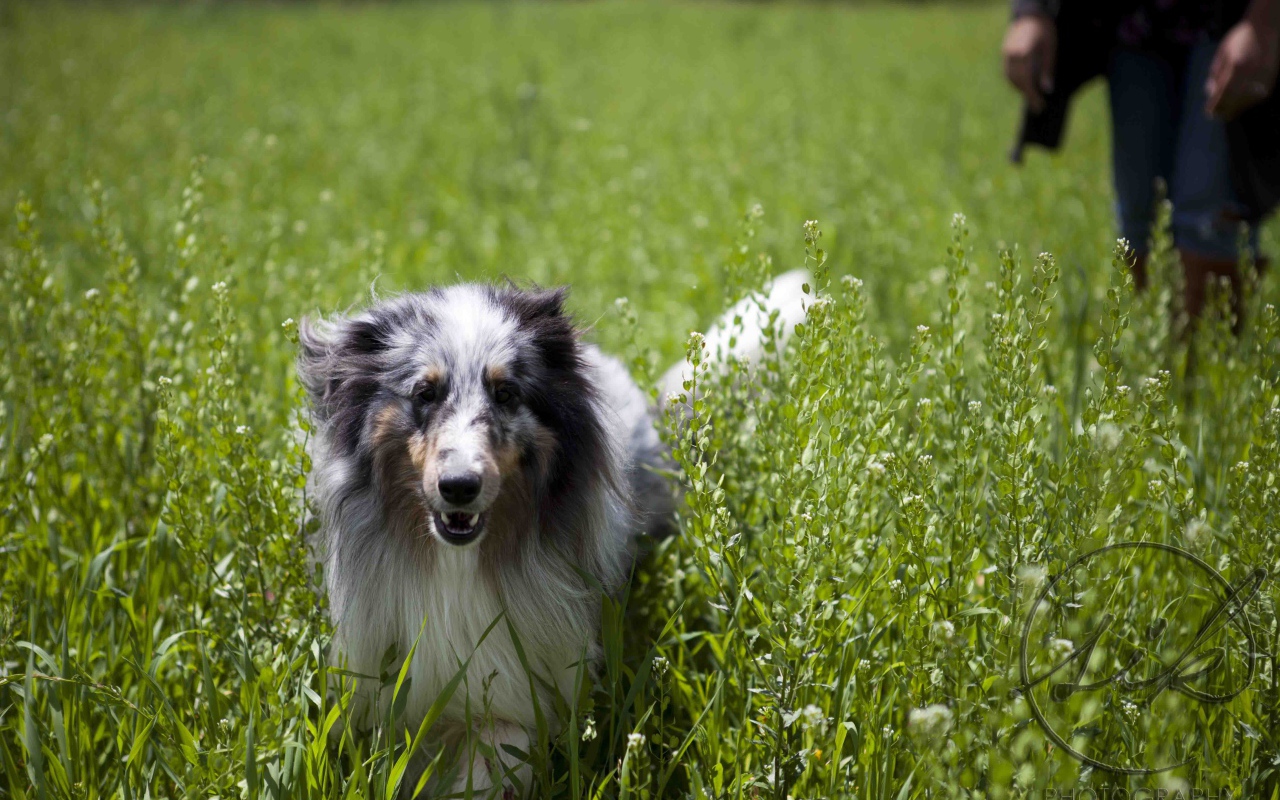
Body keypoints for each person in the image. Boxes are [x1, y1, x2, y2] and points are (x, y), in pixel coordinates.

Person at [1003, 0, 1280, 321]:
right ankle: (1160, 354)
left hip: (1229, 17)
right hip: (1133, 24)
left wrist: (1265, 20)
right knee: (1140, 216)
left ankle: (1206, 364)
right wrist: (1031, 11)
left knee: (1209, 215)